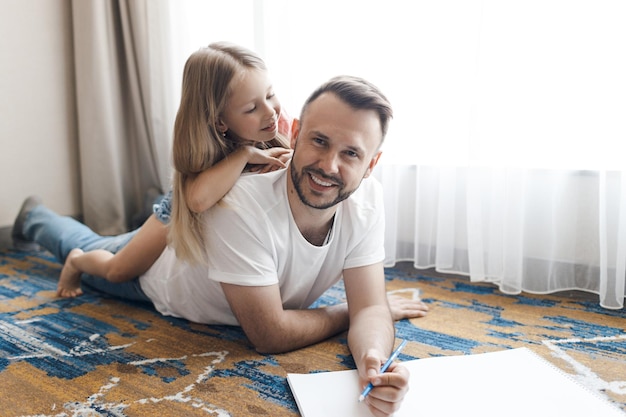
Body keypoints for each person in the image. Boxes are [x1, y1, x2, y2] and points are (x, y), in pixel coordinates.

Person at [13, 75, 429, 417]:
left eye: (351, 153)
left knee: (95, 243)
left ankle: (43, 222)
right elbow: (269, 333)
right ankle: (36, 218)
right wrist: (349, 312)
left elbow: (371, 308)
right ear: (296, 132)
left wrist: (373, 360)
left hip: (206, 251)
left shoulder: (368, 200)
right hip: (158, 276)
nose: (329, 166)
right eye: (319, 141)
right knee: (89, 249)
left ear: (371, 164)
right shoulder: (243, 204)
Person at [53, 42, 292, 298]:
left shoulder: (276, 125)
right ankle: (76, 260)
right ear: (220, 121)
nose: (271, 112)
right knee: (117, 270)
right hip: (176, 213)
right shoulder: (213, 151)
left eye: (270, 95)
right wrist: (245, 155)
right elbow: (197, 200)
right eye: (251, 108)